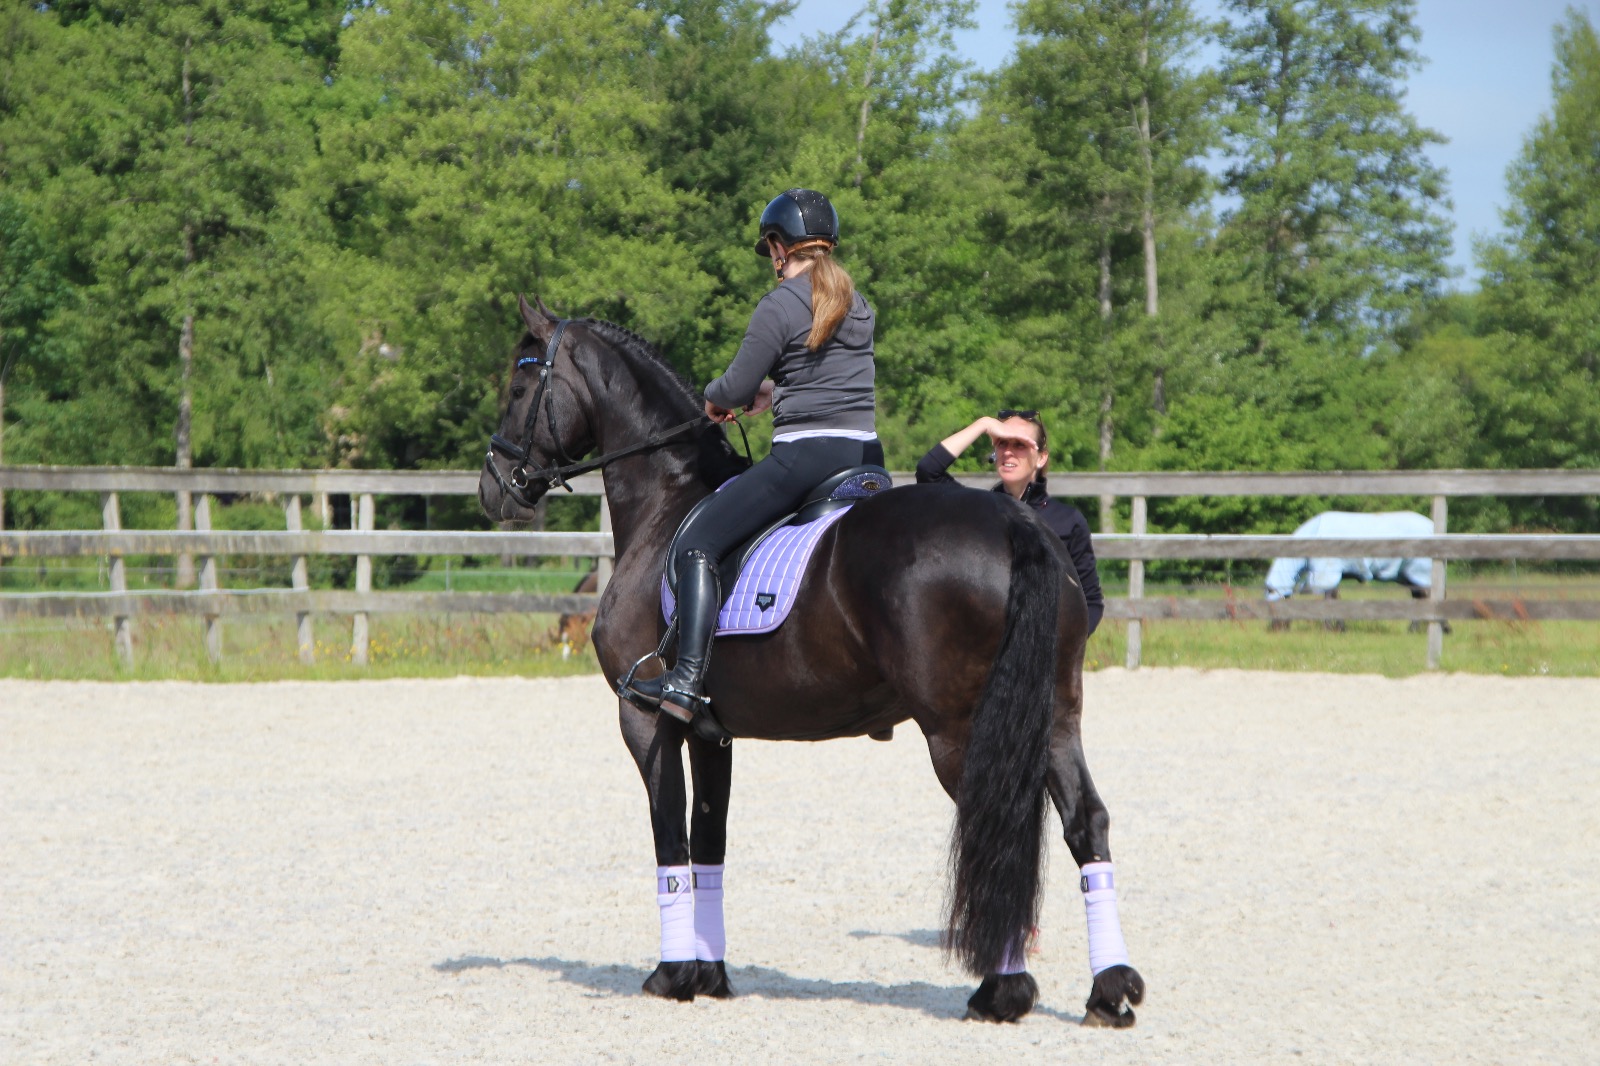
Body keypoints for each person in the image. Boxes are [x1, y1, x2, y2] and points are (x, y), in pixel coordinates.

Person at [627, 188, 882, 730]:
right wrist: (775, 392)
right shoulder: (857, 303)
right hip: (865, 457)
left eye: (771, 246)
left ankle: (686, 679)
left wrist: (721, 396)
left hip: (805, 459)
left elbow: (733, 384)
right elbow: (823, 378)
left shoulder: (781, 303)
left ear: (778, 247)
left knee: (697, 541)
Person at [915, 410, 1104, 635]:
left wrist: (1062, 650)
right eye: (1002, 443)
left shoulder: (1068, 521)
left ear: (1041, 457)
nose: (1008, 452)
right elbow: (929, 472)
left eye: (1020, 445)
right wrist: (983, 425)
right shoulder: (978, 511)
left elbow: (1090, 601)